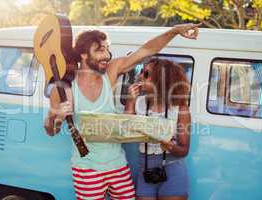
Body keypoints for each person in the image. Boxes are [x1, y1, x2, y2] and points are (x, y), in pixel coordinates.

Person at [44, 24, 199, 200]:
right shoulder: (65, 88)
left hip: (118, 165)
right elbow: (51, 130)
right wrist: (54, 115)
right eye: (100, 50)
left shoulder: (111, 72)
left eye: (107, 49)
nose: (107, 55)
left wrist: (174, 31)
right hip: (86, 168)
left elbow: (146, 50)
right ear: (83, 54)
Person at [125, 58, 191, 200]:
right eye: (141, 71)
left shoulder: (180, 108)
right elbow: (126, 129)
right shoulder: (138, 102)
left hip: (173, 170)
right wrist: (130, 101)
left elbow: (184, 150)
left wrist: (171, 147)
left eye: (146, 74)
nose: (140, 76)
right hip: (146, 170)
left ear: (161, 80)